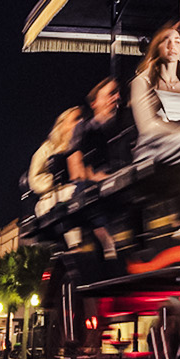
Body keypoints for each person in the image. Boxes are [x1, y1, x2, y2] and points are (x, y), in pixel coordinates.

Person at [131, 21, 180, 163]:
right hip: (154, 157)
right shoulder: (142, 83)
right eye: (166, 41)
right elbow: (147, 127)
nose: (172, 46)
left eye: (177, 42)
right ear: (157, 48)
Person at [69, 78, 122, 257]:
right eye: (109, 94)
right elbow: (75, 168)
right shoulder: (84, 129)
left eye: (116, 93)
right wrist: (94, 177)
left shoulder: (124, 122)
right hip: (95, 180)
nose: (115, 98)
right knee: (85, 192)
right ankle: (105, 239)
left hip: (121, 173)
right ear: (94, 103)